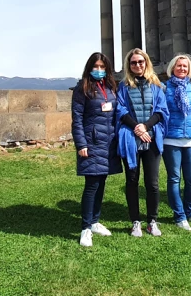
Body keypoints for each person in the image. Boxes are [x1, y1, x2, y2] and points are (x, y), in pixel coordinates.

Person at [116, 48, 169, 238]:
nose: (137, 65)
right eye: (133, 62)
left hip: (152, 137)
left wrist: (145, 127)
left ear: (146, 63)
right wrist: (137, 128)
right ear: (128, 66)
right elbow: (120, 110)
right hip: (130, 138)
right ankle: (135, 221)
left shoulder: (156, 86)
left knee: (152, 183)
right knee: (132, 181)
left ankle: (152, 221)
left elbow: (161, 111)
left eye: (140, 62)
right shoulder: (123, 86)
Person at [72, 52, 122, 247]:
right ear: (89, 68)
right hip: (92, 142)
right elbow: (77, 119)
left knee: (101, 183)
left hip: (108, 142)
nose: (99, 70)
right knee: (92, 185)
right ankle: (85, 228)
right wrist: (81, 144)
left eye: (102, 67)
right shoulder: (82, 88)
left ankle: (95, 221)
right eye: (96, 67)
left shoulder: (110, 87)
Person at [163, 54, 191, 231]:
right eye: (178, 66)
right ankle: (179, 215)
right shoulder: (165, 88)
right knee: (174, 179)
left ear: (189, 69)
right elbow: (161, 112)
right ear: (172, 68)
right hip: (171, 139)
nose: (182, 69)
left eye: (185, 66)